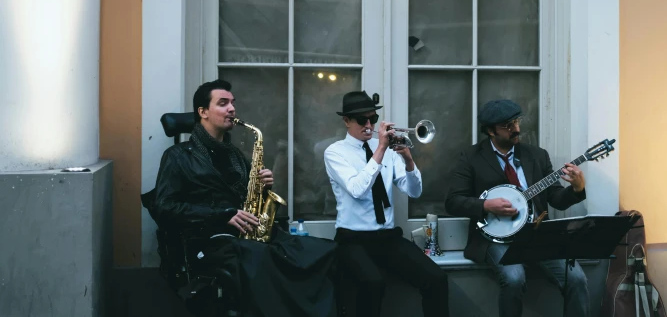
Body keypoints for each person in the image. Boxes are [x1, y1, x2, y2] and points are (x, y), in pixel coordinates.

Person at [144, 79, 337, 317]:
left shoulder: (236, 156)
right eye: (223, 103)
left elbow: (250, 201)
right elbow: (165, 207)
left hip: (246, 238)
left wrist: (263, 187)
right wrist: (222, 215)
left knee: (318, 252)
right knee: (266, 262)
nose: (232, 108)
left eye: (232, 103)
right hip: (209, 241)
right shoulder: (177, 156)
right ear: (203, 112)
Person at [445, 99, 589, 317]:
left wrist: (576, 190)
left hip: (537, 233)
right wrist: (486, 205)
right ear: (491, 131)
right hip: (494, 238)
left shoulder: (537, 155)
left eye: (517, 122)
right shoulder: (471, 158)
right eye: (508, 125)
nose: (517, 129)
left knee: (577, 278)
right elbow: (453, 202)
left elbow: (556, 198)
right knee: (514, 278)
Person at [323, 91, 450, 317]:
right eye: (362, 120)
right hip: (352, 239)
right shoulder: (335, 152)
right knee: (373, 284)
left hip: (386, 237)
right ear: (346, 121)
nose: (369, 125)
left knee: (437, 279)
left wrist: (409, 160)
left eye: (372, 118)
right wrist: (380, 149)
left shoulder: (389, 153)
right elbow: (357, 189)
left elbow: (415, 191)